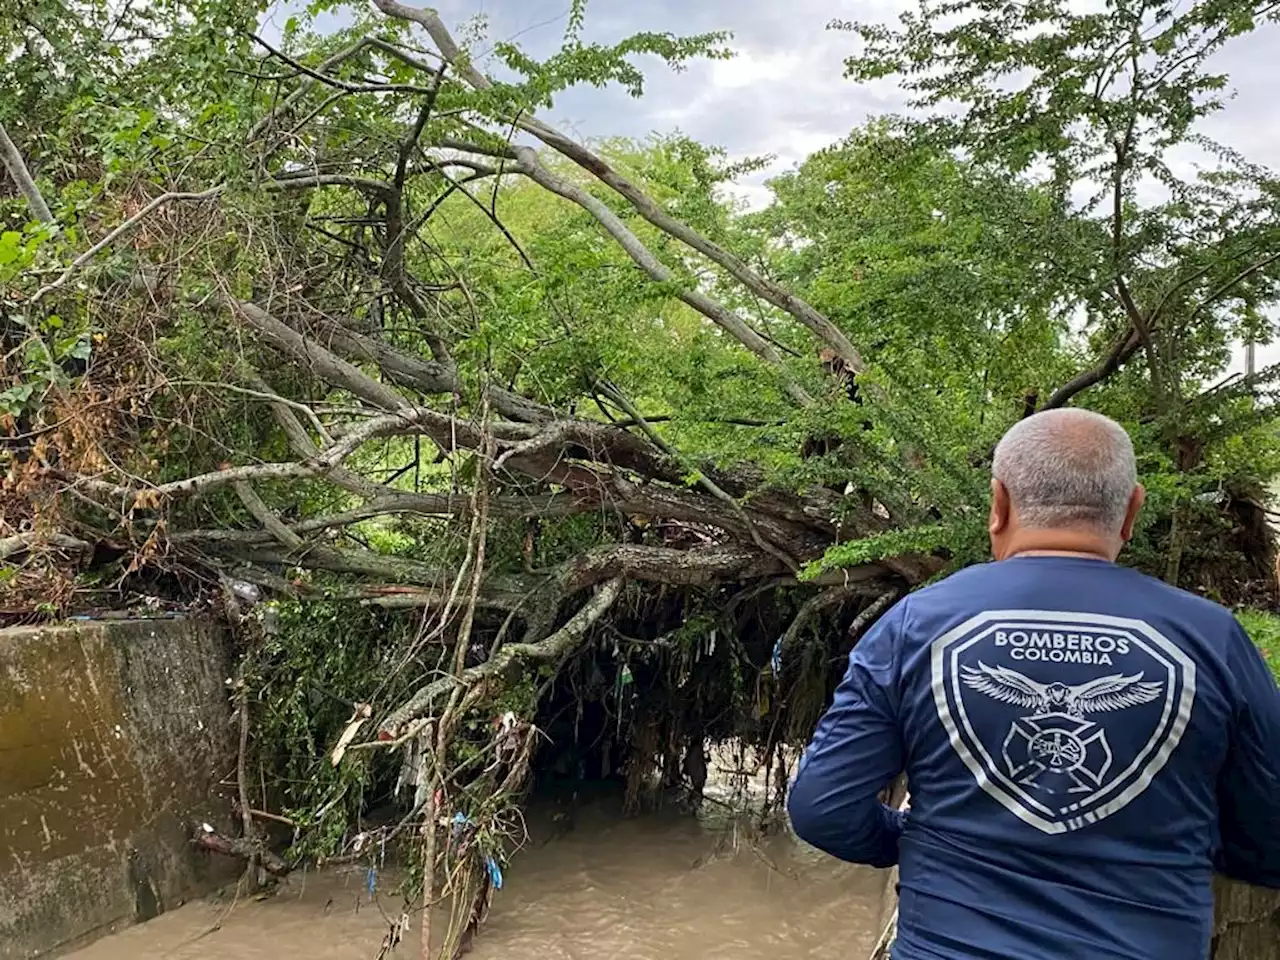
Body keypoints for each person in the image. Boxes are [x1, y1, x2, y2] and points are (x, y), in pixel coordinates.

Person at [787, 408, 1280, 959]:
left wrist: (913, 841)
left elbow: (822, 808)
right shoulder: (1214, 638)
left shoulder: (914, 627)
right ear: (1132, 510)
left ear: (998, 504)